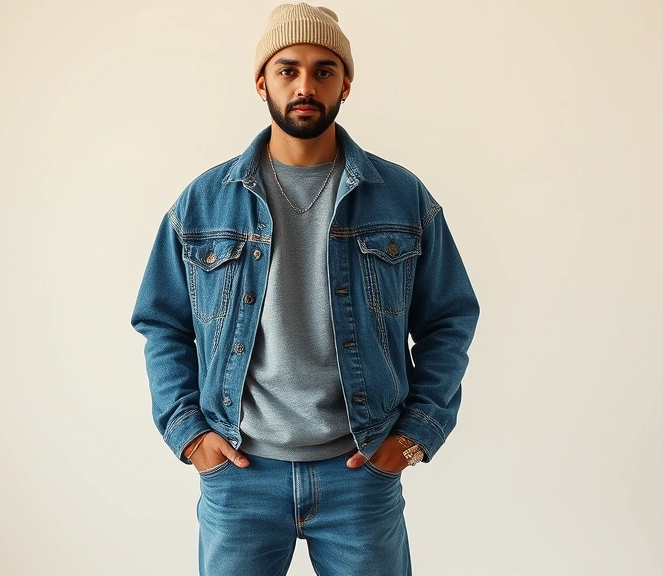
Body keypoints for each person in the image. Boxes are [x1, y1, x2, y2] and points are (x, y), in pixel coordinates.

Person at [131, 4, 479, 574]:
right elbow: (162, 322)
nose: (305, 86)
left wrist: (414, 434)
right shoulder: (205, 201)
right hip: (240, 477)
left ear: (346, 84)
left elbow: (449, 318)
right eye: (288, 69)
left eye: (324, 70)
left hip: (359, 474)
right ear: (261, 81)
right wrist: (190, 435)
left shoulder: (401, 197)